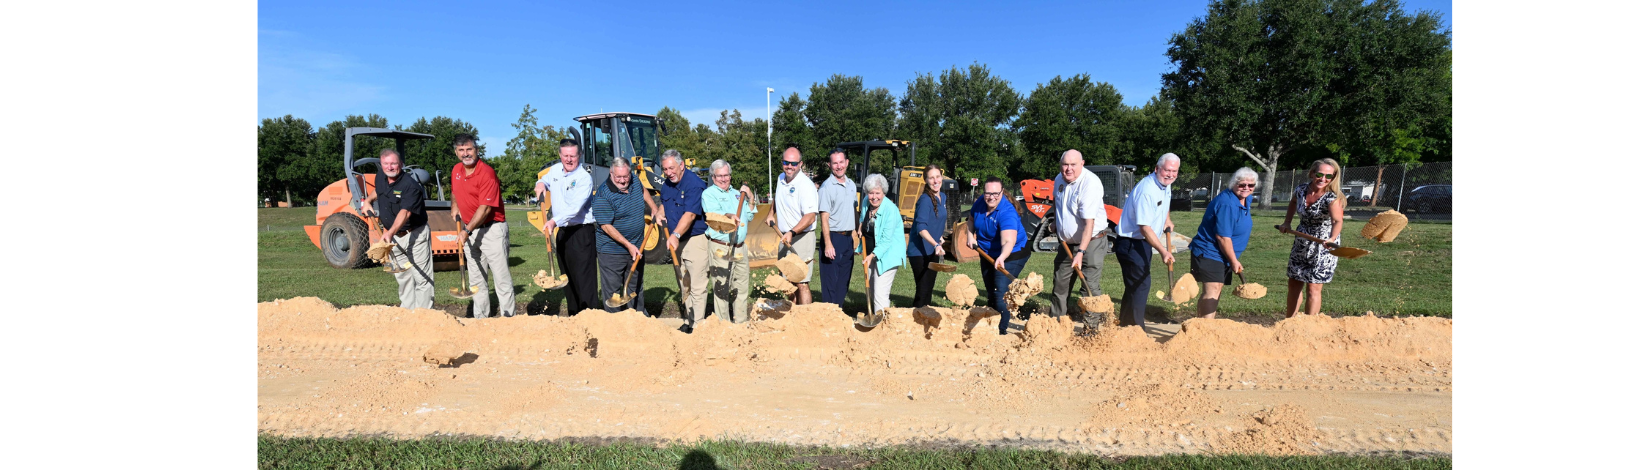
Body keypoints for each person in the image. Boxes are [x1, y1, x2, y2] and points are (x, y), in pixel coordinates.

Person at [450, 134, 516, 318]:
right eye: (461, 150)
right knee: (476, 279)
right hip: (470, 231)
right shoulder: (456, 170)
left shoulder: (486, 173)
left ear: (477, 150)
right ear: (456, 153)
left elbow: (485, 208)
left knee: (501, 278)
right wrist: (454, 205)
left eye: (469, 149)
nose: (466, 154)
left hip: (492, 230)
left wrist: (466, 230)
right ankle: (481, 320)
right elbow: (454, 190)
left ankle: (509, 320)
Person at [360, 148, 433, 310]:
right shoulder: (380, 176)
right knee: (403, 276)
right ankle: (407, 313)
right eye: (386, 164)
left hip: (415, 234)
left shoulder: (410, 186)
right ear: (381, 164)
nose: (390, 167)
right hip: (393, 236)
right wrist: (368, 201)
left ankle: (425, 317)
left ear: (401, 164)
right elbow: (378, 191)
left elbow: (405, 212)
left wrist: (389, 232)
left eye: (394, 163)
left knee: (422, 277)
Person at [1115, 153, 1180, 330]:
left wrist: (1167, 219)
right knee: (1141, 284)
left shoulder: (1165, 184)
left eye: (1174, 171)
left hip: (1141, 243)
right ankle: (1136, 329)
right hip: (1131, 243)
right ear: (1157, 168)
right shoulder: (1147, 190)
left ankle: (1127, 326)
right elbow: (1145, 228)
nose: (1170, 174)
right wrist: (1163, 251)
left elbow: (1164, 202)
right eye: (1167, 170)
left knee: (1135, 285)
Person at [534, 138, 598, 316]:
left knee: (584, 280)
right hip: (562, 233)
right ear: (560, 155)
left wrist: (554, 221)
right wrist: (540, 184)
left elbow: (574, 209)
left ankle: (590, 319)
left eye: (573, 156)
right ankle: (573, 317)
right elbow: (544, 181)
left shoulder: (584, 178)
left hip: (581, 233)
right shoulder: (555, 170)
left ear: (579, 156)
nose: (569, 160)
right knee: (567, 279)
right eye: (565, 155)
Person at [591, 157, 661, 314]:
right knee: (614, 292)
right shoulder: (603, 195)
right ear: (611, 173)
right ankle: (615, 327)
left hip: (637, 246)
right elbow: (606, 226)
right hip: (612, 251)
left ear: (630, 173)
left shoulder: (634, 180)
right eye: (618, 177)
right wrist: (628, 245)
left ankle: (638, 318)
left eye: (625, 177)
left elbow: (643, 191)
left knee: (635, 286)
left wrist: (653, 207)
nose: (623, 181)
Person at [1279, 158, 1346, 318]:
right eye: (1320, 174)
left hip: (1323, 244)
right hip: (1301, 242)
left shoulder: (1331, 197)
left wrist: (1332, 238)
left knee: (1313, 287)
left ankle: (1309, 327)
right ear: (1312, 173)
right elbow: (1293, 202)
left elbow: (1337, 221)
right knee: (1294, 283)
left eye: (1328, 176)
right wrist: (1287, 222)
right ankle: (1290, 323)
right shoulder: (1301, 190)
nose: (1323, 179)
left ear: (1333, 177)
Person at [1189, 167, 1258, 319]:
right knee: (1212, 290)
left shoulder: (1246, 199)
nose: (1246, 188)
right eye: (1242, 184)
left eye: (1251, 185)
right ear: (1233, 183)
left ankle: (1203, 325)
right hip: (1209, 251)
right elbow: (1222, 237)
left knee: (1217, 288)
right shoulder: (1227, 204)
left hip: (1222, 253)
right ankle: (1204, 329)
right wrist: (1234, 261)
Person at [1050, 149, 1108, 326]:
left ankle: (1091, 331)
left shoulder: (1090, 184)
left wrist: (1081, 252)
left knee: (1088, 286)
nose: (1068, 169)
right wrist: (1056, 223)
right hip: (1066, 244)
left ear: (1082, 164)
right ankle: (1056, 325)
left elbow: (1088, 224)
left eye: (1073, 165)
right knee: (1060, 284)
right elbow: (1057, 203)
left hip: (1091, 243)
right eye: (1065, 165)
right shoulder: (1059, 179)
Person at [966, 177, 1030, 335]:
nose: (991, 197)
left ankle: (1000, 331)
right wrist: (969, 235)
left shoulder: (1007, 212)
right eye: (988, 193)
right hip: (987, 252)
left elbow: (1008, 241)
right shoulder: (981, 202)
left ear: (1002, 192)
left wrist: (1002, 257)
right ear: (983, 192)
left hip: (1013, 253)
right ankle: (989, 325)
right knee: (990, 290)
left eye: (996, 193)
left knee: (1000, 292)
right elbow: (971, 219)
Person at [657, 149, 710, 333]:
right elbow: (665, 201)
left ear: (681, 165)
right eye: (665, 169)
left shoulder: (693, 184)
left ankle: (698, 326)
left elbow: (690, 214)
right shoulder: (667, 183)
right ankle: (689, 320)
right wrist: (659, 212)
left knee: (697, 285)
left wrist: (676, 235)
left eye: (672, 168)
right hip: (677, 242)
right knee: (683, 282)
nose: (669, 172)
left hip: (694, 240)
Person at [703, 159, 758, 323]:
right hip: (721, 248)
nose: (723, 179)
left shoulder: (736, 194)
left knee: (741, 287)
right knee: (722, 288)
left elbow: (749, 216)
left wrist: (751, 198)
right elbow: (714, 215)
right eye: (719, 176)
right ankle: (724, 328)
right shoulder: (709, 194)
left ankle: (740, 324)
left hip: (740, 248)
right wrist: (729, 216)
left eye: (726, 175)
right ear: (713, 177)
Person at [765, 145, 818, 305]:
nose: (789, 166)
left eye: (793, 163)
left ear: (800, 164)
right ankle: (793, 314)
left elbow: (810, 217)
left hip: (801, 237)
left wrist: (792, 233)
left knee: (801, 282)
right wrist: (770, 213)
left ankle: (805, 318)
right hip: (784, 236)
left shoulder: (806, 185)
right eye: (786, 162)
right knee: (787, 282)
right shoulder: (781, 178)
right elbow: (777, 197)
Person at [816, 148, 858, 306]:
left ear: (847, 163)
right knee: (830, 283)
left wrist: (855, 233)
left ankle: (839, 314)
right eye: (835, 163)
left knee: (843, 281)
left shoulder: (852, 185)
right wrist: (828, 244)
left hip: (848, 239)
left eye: (841, 162)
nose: (839, 166)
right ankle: (829, 317)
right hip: (833, 238)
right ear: (829, 165)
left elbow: (853, 209)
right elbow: (824, 218)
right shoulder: (827, 188)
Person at [859, 173, 905, 315]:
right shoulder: (867, 201)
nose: (874, 197)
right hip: (871, 253)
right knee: (872, 289)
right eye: (871, 193)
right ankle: (876, 318)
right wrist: (860, 228)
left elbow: (886, 241)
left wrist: (872, 256)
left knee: (880, 294)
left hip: (888, 255)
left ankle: (883, 326)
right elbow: (863, 217)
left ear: (884, 192)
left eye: (877, 193)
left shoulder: (890, 210)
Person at [905, 165, 948, 308]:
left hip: (933, 249)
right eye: (931, 178)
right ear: (926, 180)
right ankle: (916, 320)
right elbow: (921, 228)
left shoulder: (943, 197)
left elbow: (936, 220)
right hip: (919, 252)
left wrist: (939, 237)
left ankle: (926, 319)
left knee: (929, 288)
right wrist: (935, 244)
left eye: (937, 176)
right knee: (923, 290)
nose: (935, 181)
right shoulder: (925, 200)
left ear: (941, 177)